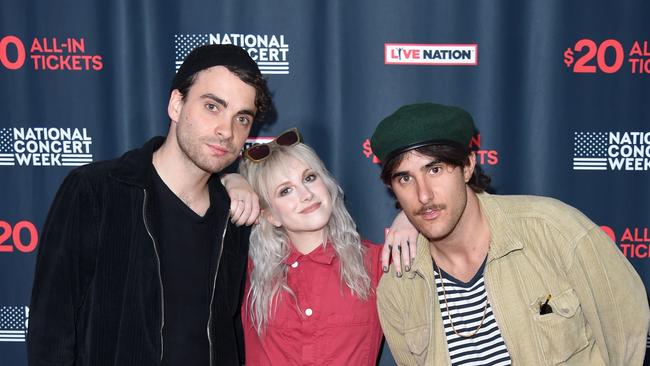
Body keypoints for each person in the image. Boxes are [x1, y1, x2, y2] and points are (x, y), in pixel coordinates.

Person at [27, 44, 272, 366]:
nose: (226, 131)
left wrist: (235, 181)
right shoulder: (96, 191)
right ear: (176, 104)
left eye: (242, 118)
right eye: (212, 106)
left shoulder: (234, 215)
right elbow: (51, 330)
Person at [371, 103, 650, 365]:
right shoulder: (399, 288)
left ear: (467, 166)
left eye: (435, 169)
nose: (423, 194)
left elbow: (629, 332)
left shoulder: (554, 229)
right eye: (405, 178)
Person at [236, 128, 384, 365]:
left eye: (309, 178)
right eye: (285, 191)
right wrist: (229, 181)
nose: (306, 194)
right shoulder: (248, 273)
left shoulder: (375, 263)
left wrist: (408, 220)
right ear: (270, 215)